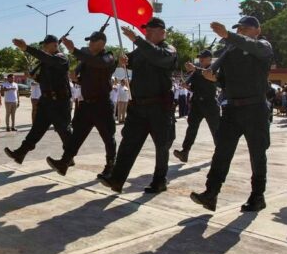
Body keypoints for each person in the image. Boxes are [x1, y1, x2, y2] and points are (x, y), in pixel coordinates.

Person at [190, 16, 273, 213]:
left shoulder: (263, 46)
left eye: (245, 28)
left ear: (257, 30)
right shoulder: (229, 52)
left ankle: (257, 196)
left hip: (255, 108)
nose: (241, 32)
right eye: (239, 29)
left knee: (257, 154)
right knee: (222, 152)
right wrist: (214, 78)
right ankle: (211, 193)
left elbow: (250, 45)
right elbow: (224, 81)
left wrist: (229, 35)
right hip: (232, 109)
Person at [99, 17, 178, 194]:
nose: (146, 33)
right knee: (129, 143)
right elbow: (129, 60)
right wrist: (123, 60)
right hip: (139, 107)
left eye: (151, 30)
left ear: (162, 32)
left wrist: (137, 40)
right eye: (146, 30)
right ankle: (117, 179)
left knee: (161, 145)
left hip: (159, 106)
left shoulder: (168, 50)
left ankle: (159, 180)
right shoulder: (141, 50)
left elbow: (158, 56)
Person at [46, 29, 118, 178]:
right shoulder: (87, 61)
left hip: (102, 105)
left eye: (92, 41)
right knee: (77, 136)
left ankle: (111, 166)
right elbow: (84, 80)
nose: (89, 44)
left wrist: (74, 50)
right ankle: (64, 162)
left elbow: (99, 63)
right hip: (87, 105)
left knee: (108, 137)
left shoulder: (108, 57)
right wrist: (75, 78)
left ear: (101, 43)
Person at [4, 34, 72, 164]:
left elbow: (49, 60)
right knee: (37, 129)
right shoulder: (47, 62)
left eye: (46, 45)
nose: (44, 48)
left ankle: (68, 157)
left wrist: (27, 48)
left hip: (59, 102)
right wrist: (35, 77)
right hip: (46, 102)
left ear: (54, 45)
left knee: (64, 131)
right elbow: (44, 80)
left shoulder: (61, 58)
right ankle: (20, 153)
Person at [173, 49, 220, 163]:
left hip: (210, 104)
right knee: (191, 128)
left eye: (203, 57)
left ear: (209, 59)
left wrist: (195, 69)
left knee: (216, 130)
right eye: (200, 57)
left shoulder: (213, 69)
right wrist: (186, 86)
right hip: (197, 104)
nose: (200, 59)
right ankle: (185, 151)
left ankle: (220, 153)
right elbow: (193, 87)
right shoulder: (196, 72)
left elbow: (212, 76)